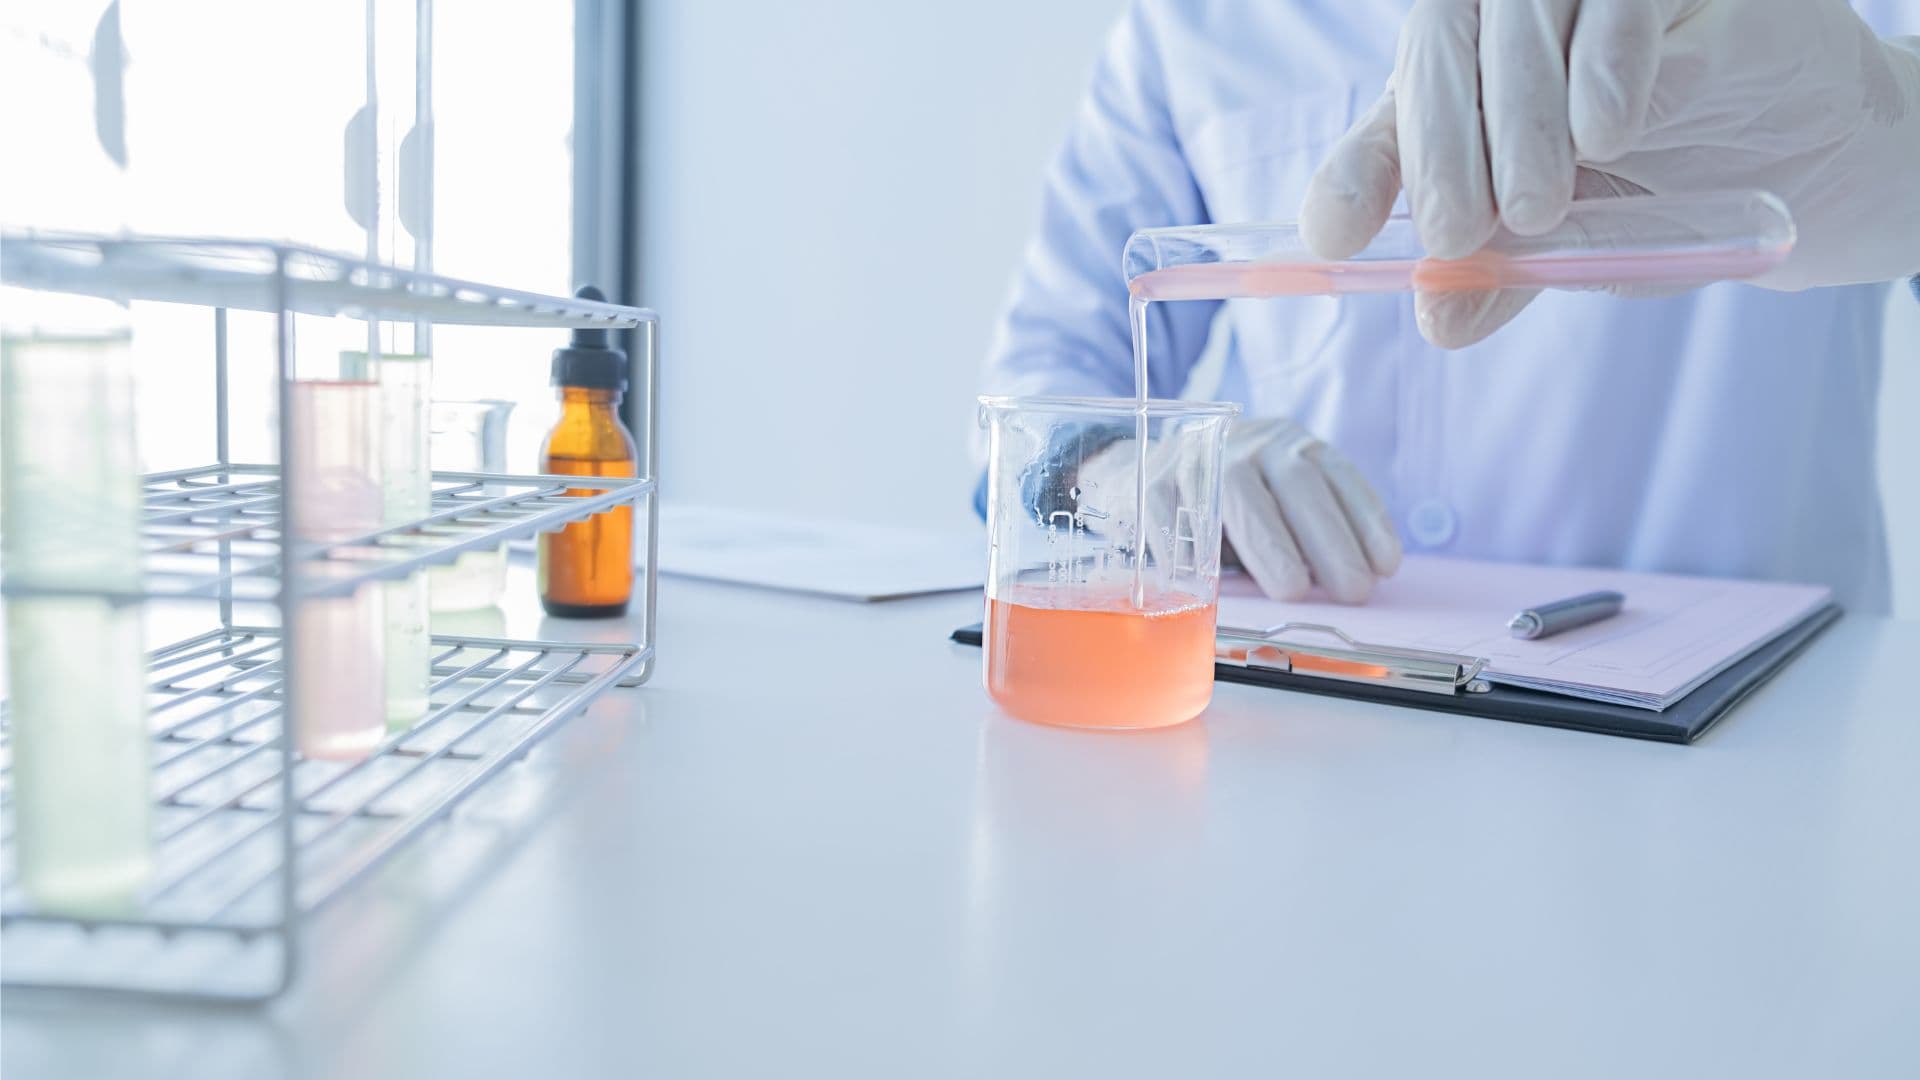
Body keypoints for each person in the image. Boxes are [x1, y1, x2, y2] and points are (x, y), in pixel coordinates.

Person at [981, 0, 1920, 611]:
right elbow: (1036, 385)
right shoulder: (1189, 28)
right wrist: (1130, 470)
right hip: (1313, 712)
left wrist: (1899, 140)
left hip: (1753, 750)